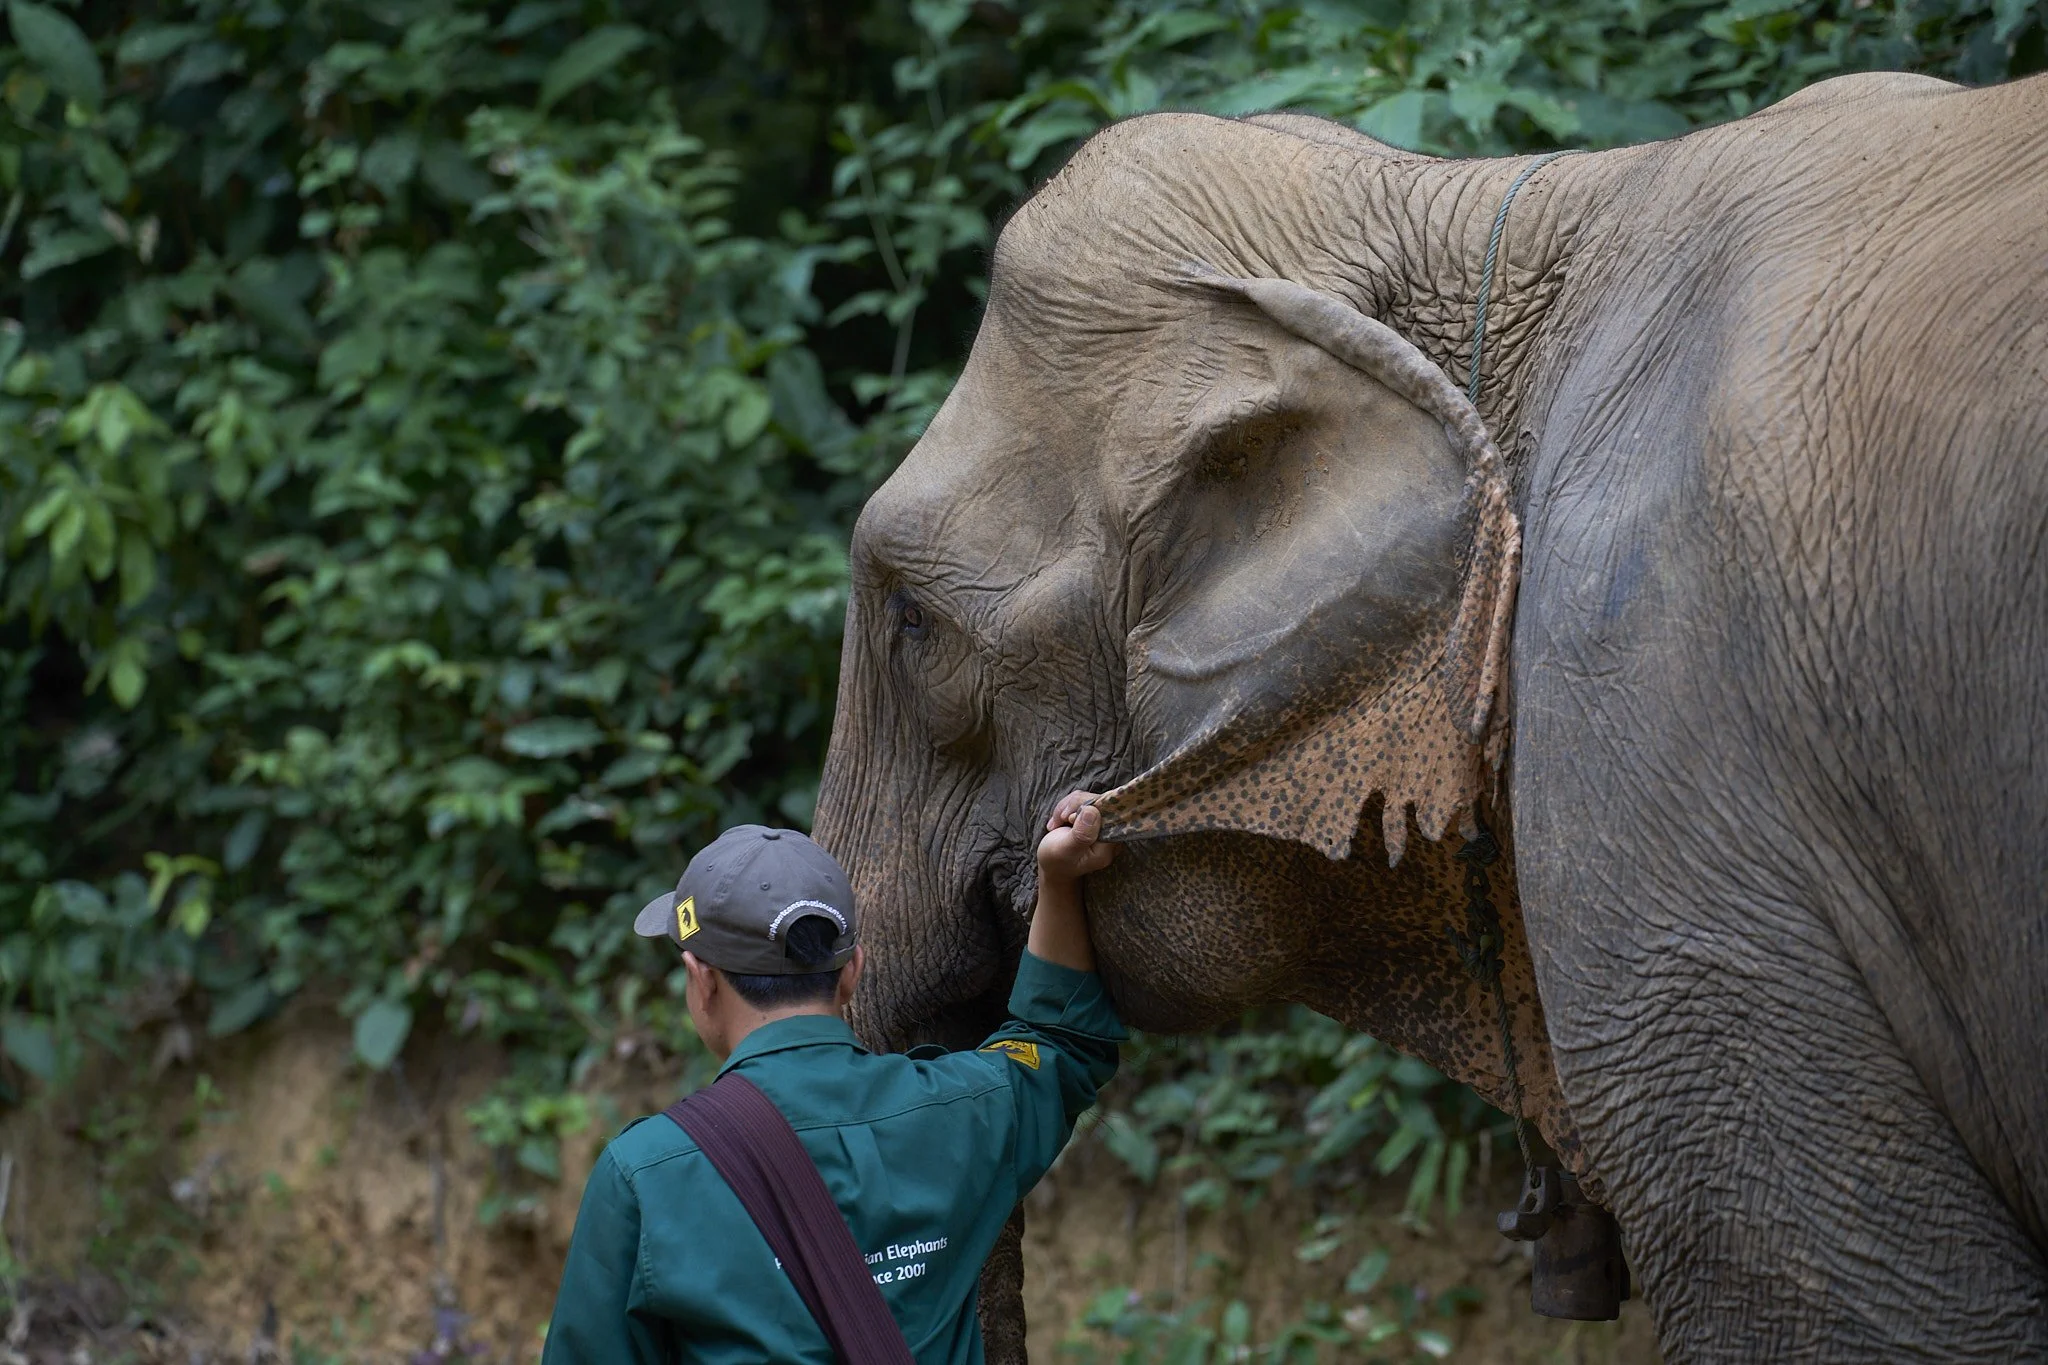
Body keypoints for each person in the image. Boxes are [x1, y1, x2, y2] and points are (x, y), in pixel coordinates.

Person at [540, 790, 1123, 1363]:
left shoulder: (645, 1175)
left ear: (702, 980)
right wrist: (1059, 880)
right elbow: (1061, 1042)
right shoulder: (966, 1109)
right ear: (852, 973)